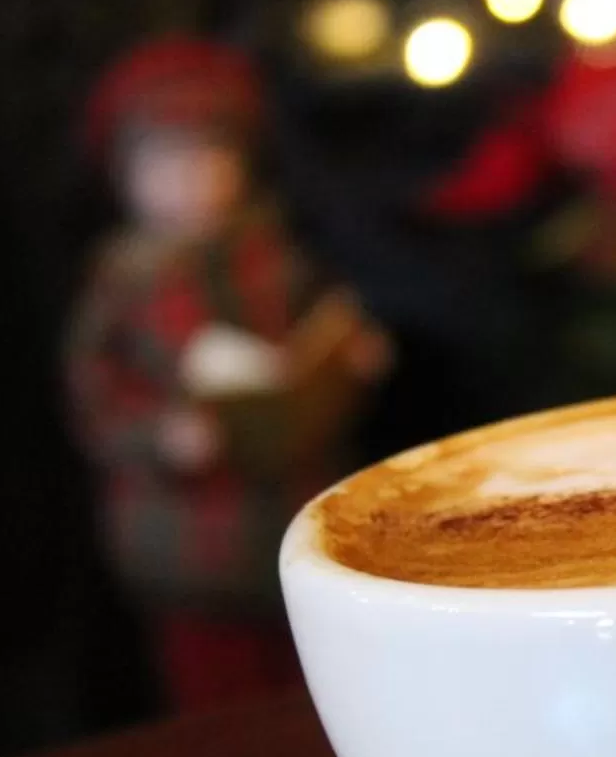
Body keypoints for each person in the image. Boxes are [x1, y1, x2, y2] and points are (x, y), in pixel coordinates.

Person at [66, 37, 390, 711]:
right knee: (219, 695)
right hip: (192, 542)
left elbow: (322, 324)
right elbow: (98, 397)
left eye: (209, 157)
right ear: (125, 175)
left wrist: (349, 353)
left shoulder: (275, 252)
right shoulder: (123, 282)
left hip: (300, 507)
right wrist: (160, 434)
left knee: (322, 680)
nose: (189, 181)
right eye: (165, 164)